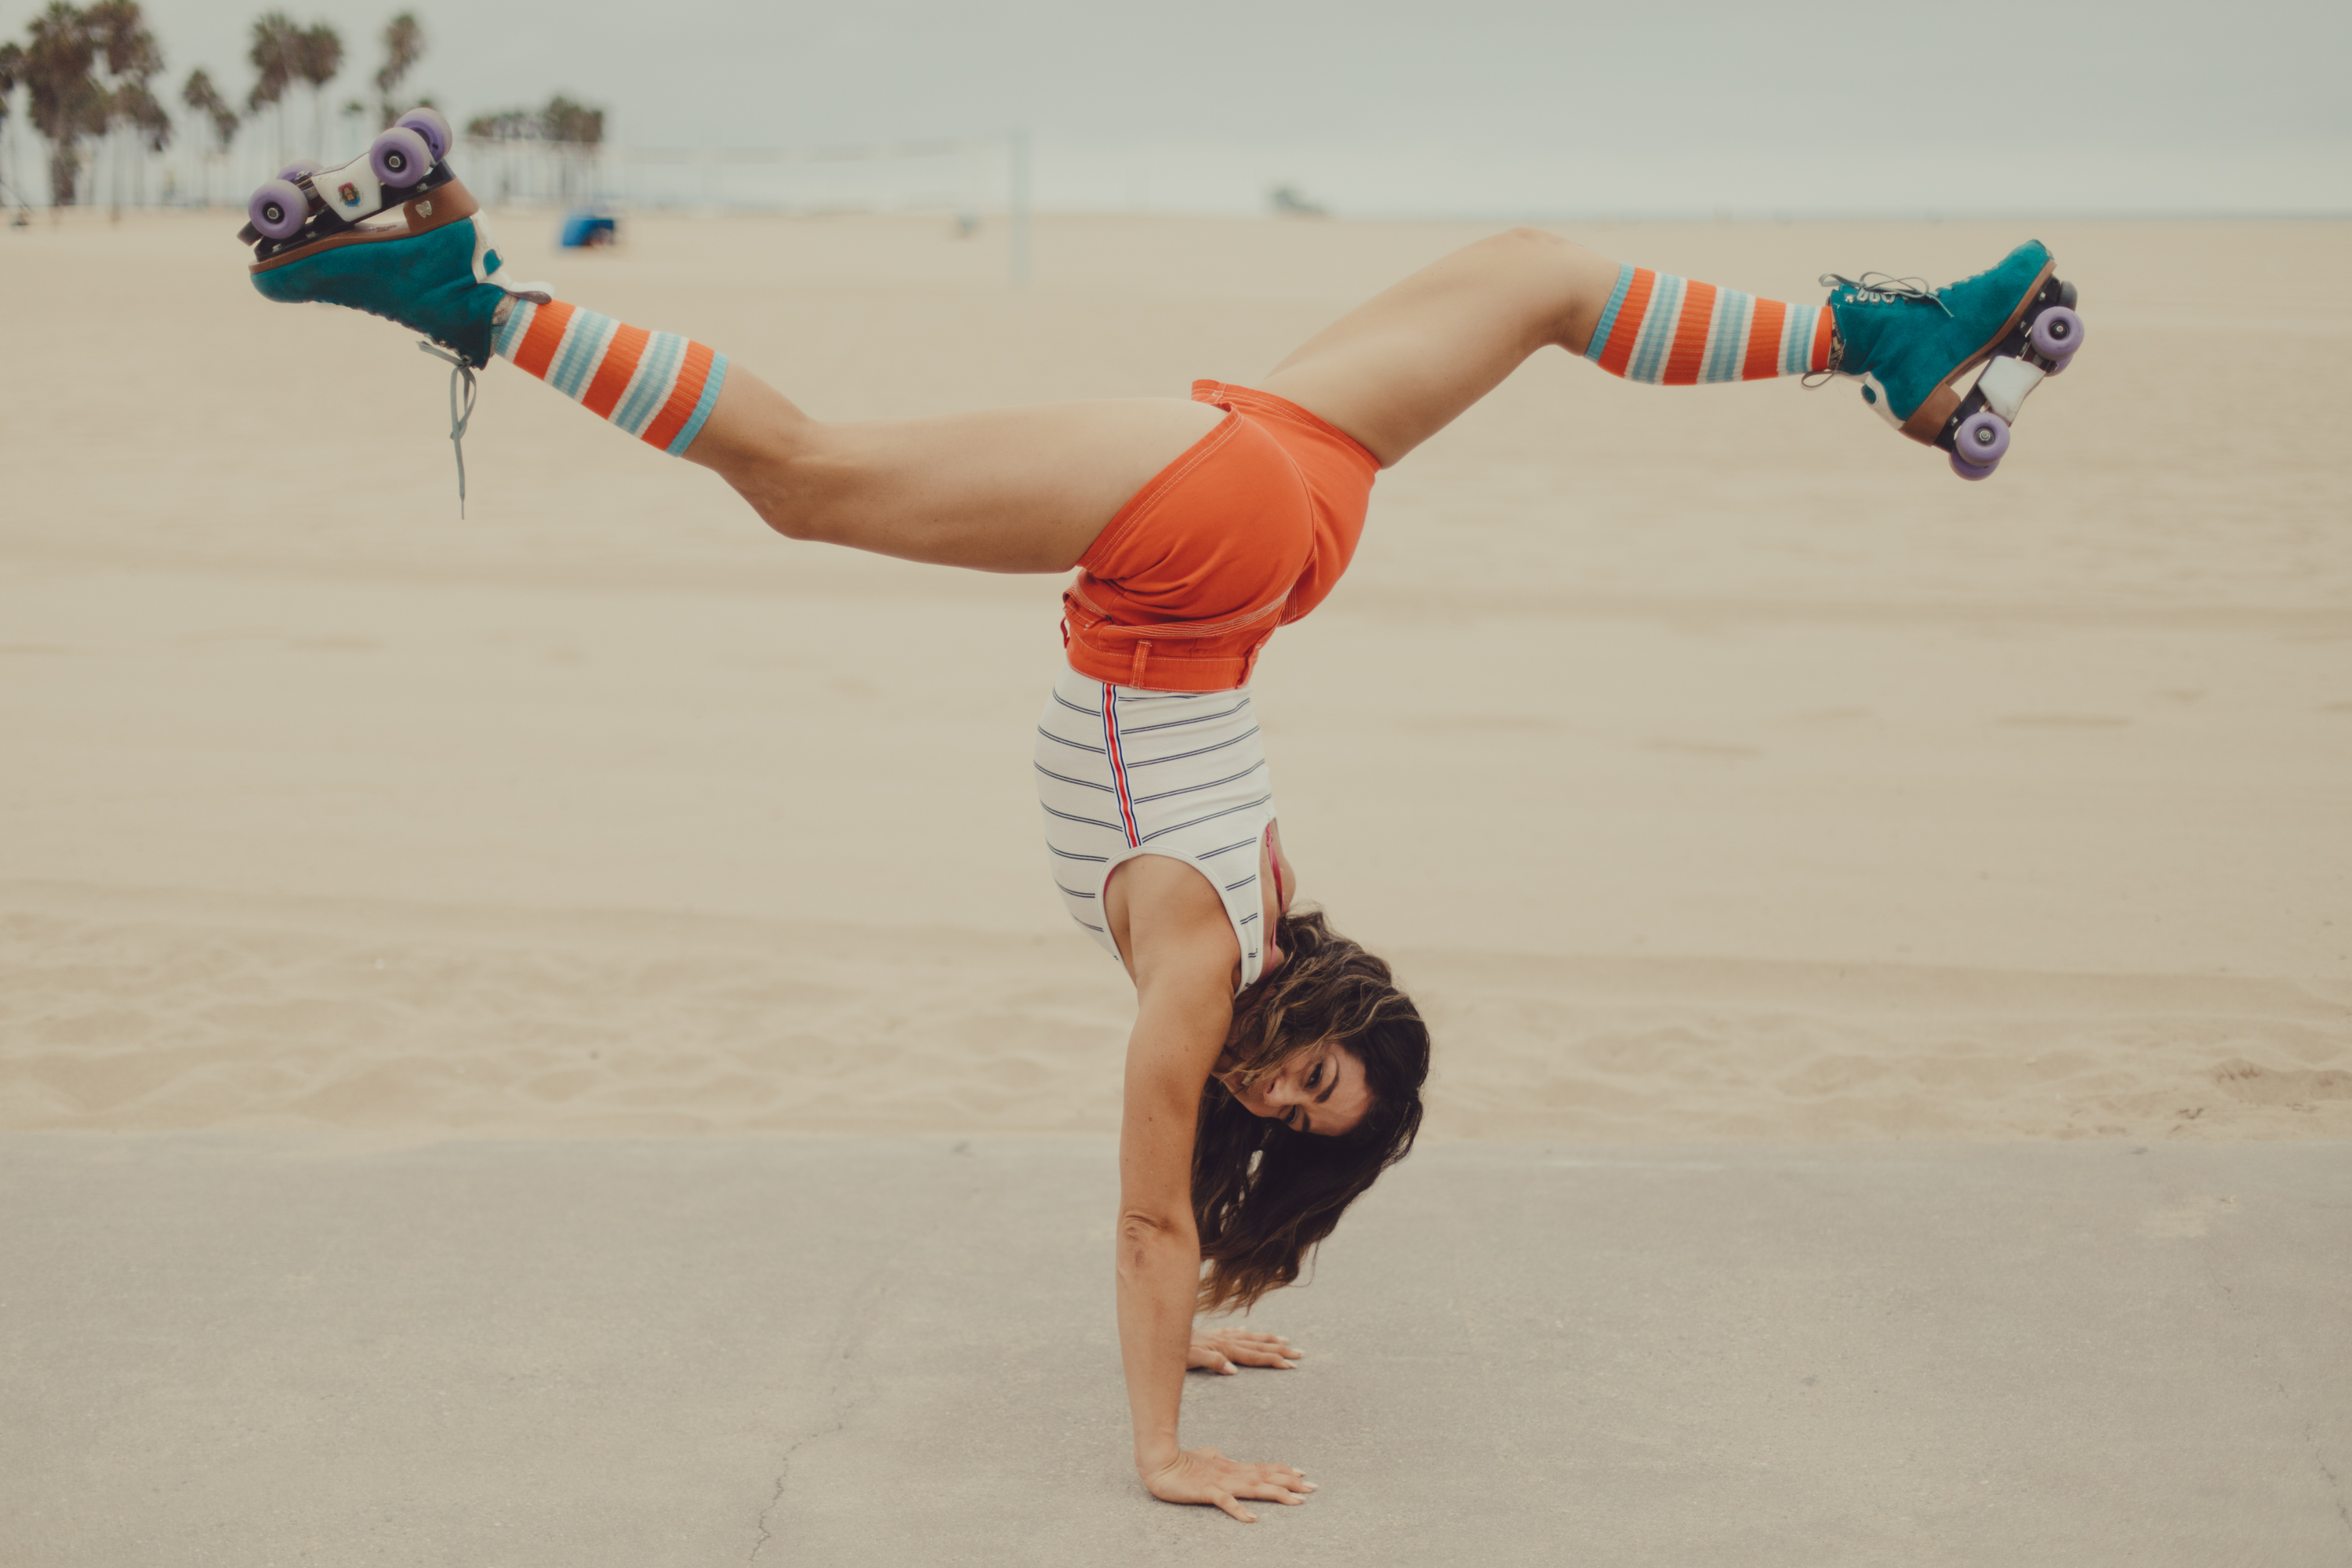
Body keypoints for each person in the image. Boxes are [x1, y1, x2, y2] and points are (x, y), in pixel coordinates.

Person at [245, 165, 2073, 1521]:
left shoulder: (1261, 917)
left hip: (1290, 503)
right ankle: (459, 294)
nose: (1279, 1094)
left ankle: (1886, 343)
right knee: (804, 476)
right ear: (1349, 1005)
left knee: (1537, 278)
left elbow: (1180, 1199)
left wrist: (1213, 1298)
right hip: (1205, 531)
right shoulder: (1208, 965)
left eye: (1290, 1123)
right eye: (1327, 1080)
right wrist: (1160, 1444)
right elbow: (1140, 1213)